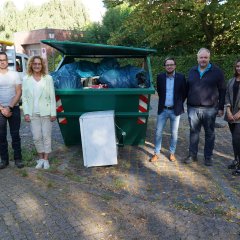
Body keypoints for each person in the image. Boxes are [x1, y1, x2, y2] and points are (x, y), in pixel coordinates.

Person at [185, 48, 226, 166]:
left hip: (210, 109)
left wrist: (221, 107)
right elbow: (188, 87)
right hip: (193, 108)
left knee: (209, 133)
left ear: (209, 58)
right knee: (194, 133)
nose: (203, 60)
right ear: (197, 58)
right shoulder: (192, 71)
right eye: (201, 57)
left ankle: (208, 157)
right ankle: (192, 156)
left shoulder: (217, 72)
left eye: (205, 57)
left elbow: (222, 90)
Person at [150, 57, 187, 162]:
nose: (169, 66)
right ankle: (156, 153)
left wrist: (179, 103)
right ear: (165, 66)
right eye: (167, 65)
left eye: (171, 64)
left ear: (175, 66)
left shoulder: (181, 77)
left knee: (174, 133)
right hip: (163, 110)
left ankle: (172, 153)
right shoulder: (160, 77)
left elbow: (184, 92)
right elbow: (160, 92)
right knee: (158, 132)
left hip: (175, 111)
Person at [22, 56, 56, 169]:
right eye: (35, 64)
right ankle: (40, 158)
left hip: (46, 112)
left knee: (46, 136)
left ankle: (46, 159)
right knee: (36, 137)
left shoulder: (48, 78)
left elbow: (52, 97)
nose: (37, 66)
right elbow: (25, 98)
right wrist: (26, 113)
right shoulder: (26, 79)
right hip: (33, 113)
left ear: (42, 65)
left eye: (39, 64)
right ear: (31, 65)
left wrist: (53, 113)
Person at [0, 52, 24, 169]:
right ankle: (4, 160)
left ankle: (18, 159)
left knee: (15, 135)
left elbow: (19, 92)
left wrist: (9, 107)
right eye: (0, 60)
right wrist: (2, 109)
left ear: (7, 61)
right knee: (1, 136)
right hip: (0, 110)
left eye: (4, 59)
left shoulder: (14, 74)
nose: (2, 62)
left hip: (13, 108)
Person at [224, 59, 240, 175]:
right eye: (238, 66)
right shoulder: (231, 80)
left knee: (237, 140)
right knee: (234, 141)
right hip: (231, 116)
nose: (239, 68)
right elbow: (227, 96)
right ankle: (236, 160)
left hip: (239, 116)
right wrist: (228, 110)